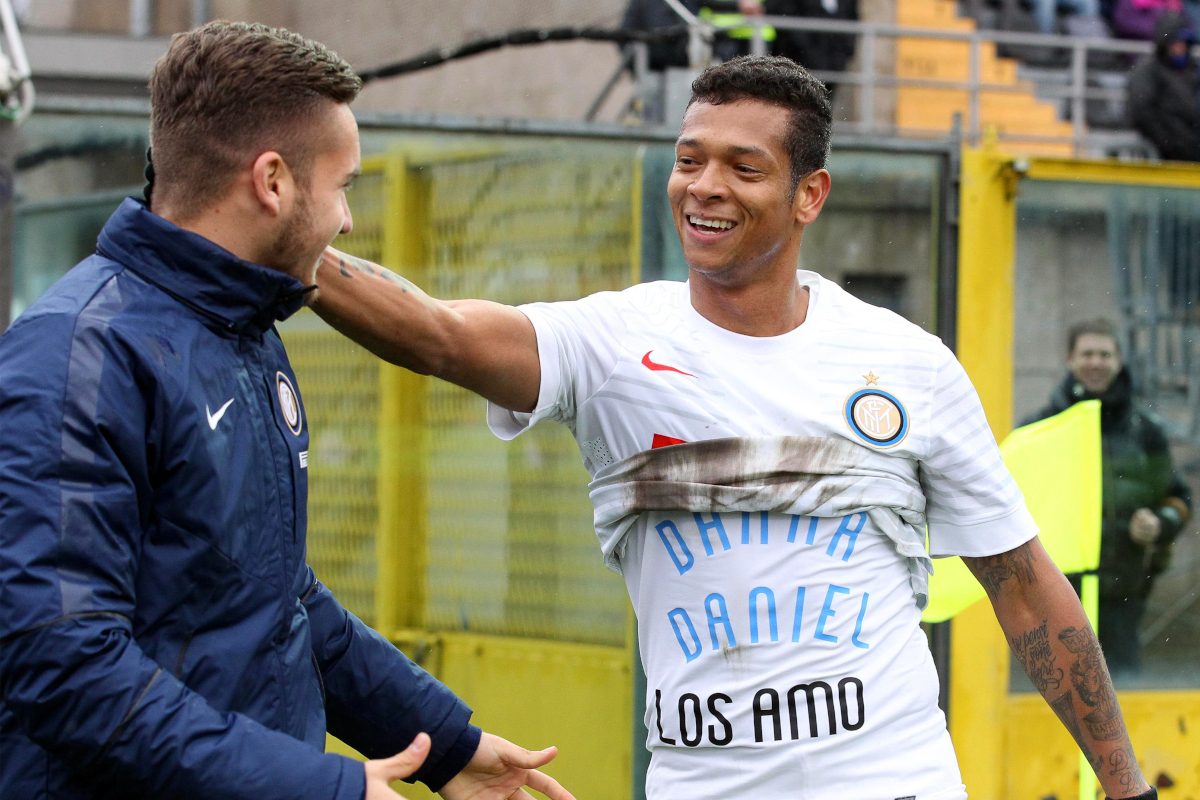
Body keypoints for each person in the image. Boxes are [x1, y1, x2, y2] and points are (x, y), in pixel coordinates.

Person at [312, 56, 1157, 800]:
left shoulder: (909, 363)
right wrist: (280, 238)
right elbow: (438, 333)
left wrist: (1127, 790)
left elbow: (1024, 588)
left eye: (743, 167)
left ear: (808, 195)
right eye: (689, 161)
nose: (704, 186)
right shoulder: (613, 343)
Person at [0, 21, 572, 800]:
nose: (348, 222)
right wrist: (318, 787)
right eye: (344, 185)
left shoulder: (244, 333)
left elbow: (275, 598)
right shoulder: (77, 357)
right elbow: (63, 665)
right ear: (272, 181)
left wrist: (446, 745)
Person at [1023, 319, 1192, 677]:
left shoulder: (1146, 432)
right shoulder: (1038, 429)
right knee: (1055, 700)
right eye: (1087, 353)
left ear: (1118, 361)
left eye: (1105, 354)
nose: (1095, 362)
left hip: (1124, 596)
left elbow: (1180, 500)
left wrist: (1159, 523)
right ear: (1070, 359)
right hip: (1055, 596)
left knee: (1122, 700)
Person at [1128, 11, 1200, 161]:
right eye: (1176, 42)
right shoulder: (1149, 70)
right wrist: (1168, 144)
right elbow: (1141, 111)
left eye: (1184, 43)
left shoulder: (1193, 70)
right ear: (1165, 43)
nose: (1181, 47)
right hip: (1167, 153)